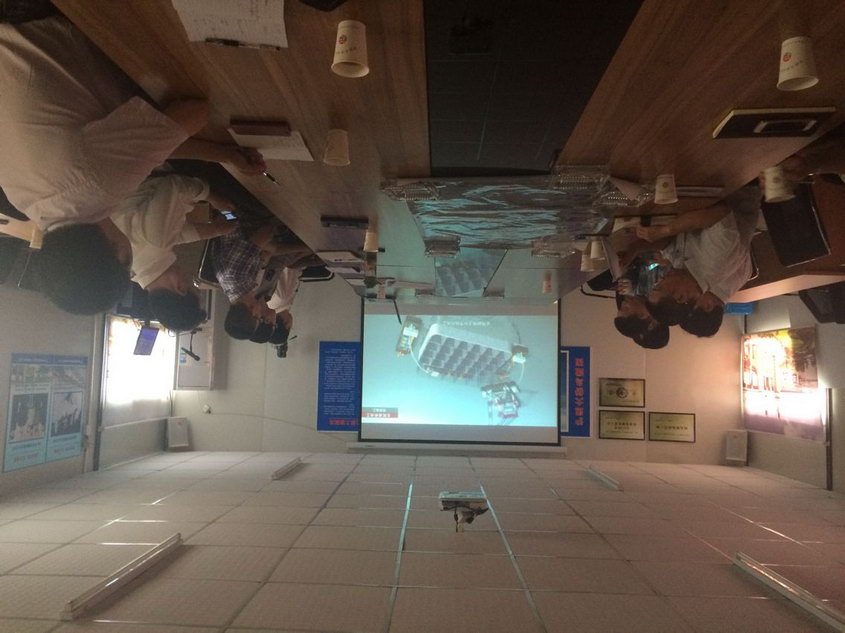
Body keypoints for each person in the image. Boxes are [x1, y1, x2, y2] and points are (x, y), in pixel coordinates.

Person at [0, 15, 264, 314]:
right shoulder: (23, 200)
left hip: (46, 19)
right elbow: (152, 146)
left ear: (121, 255)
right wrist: (224, 154)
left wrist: (223, 155)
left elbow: (195, 111)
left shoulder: (94, 186)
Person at [111, 173, 238, 331]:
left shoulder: (155, 245)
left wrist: (213, 197)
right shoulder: (132, 269)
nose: (192, 279)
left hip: (151, 170)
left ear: (180, 288)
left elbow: (174, 185)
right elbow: (174, 235)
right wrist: (216, 230)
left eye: (194, 286)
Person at [631, 186, 761, 337]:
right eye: (659, 287)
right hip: (734, 188)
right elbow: (719, 213)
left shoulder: (684, 273)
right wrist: (664, 231)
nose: (658, 280)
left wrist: (635, 249)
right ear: (681, 296)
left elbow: (669, 244)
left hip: (703, 194)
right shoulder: (715, 264)